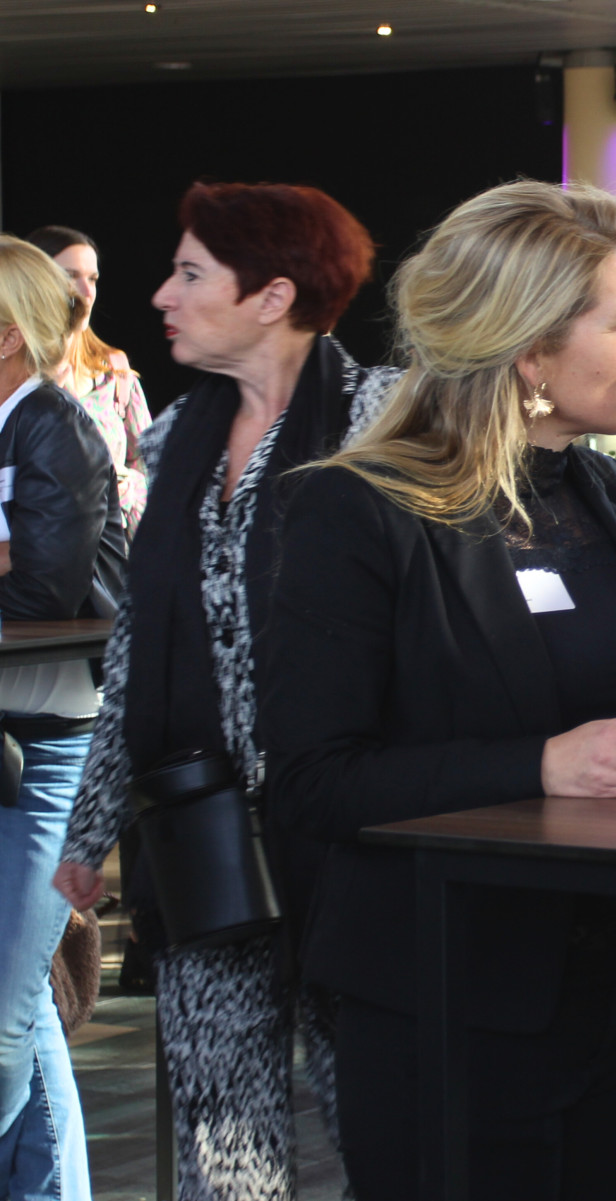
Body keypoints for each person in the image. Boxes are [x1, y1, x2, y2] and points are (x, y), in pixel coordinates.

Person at [256, 181, 616, 1201]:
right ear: (527, 353)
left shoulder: (594, 486)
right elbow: (311, 781)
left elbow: (577, 705)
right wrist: (544, 764)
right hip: (447, 998)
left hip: (609, 987)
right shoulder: (355, 510)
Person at [51, 182, 388, 1201]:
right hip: (203, 835)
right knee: (223, 1140)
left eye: (191, 273)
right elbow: (144, 646)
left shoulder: (380, 422)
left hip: (349, 834)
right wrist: (88, 829)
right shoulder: (175, 441)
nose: (161, 294)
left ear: (273, 295)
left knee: (378, 1119)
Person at [0, 234, 122, 1201]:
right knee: (27, 1003)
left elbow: (44, 584)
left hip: (46, 750)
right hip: (15, 738)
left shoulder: (51, 424)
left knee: (7, 1010)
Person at [28, 226, 153, 532]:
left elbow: (155, 472)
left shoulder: (114, 378)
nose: (86, 292)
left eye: (93, 279)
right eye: (70, 276)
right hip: (36, 561)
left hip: (111, 563)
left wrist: (128, 487)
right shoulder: (13, 377)